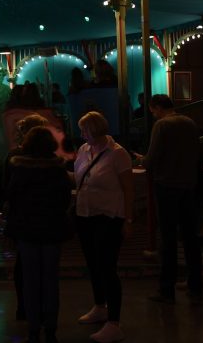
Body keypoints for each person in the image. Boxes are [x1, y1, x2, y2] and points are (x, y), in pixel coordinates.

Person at [133, 94, 203, 304]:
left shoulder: (162, 126)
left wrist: (141, 159)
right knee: (191, 237)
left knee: (168, 238)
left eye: (152, 110)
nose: (153, 115)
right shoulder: (190, 123)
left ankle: (166, 289)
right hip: (188, 185)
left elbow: (151, 159)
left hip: (166, 186)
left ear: (157, 107)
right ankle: (195, 284)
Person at [6, 127, 72, 343]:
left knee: (31, 281)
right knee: (51, 281)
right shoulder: (57, 169)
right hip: (52, 229)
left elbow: (12, 199)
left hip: (27, 231)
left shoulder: (21, 169)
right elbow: (65, 199)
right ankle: (50, 329)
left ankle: (33, 329)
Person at [74, 111, 134, 343]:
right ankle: (100, 305)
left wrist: (128, 220)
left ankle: (114, 322)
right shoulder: (83, 151)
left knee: (107, 267)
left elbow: (128, 189)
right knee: (93, 263)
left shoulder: (118, 154)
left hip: (109, 217)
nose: (81, 134)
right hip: (85, 215)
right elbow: (80, 178)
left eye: (85, 130)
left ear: (96, 130)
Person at [3, 113, 50, 321]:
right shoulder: (51, 159)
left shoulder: (13, 157)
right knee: (46, 266)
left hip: (21, 219)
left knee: (22, 264)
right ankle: (44, 310)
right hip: (47, 219)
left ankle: (24, 306)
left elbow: (7, 190)